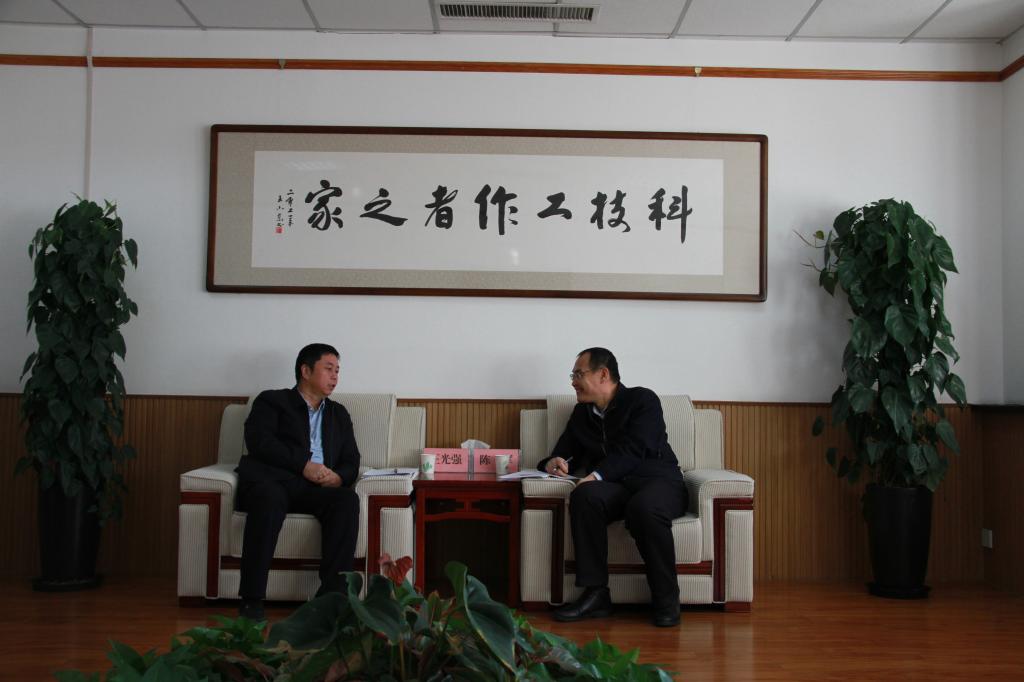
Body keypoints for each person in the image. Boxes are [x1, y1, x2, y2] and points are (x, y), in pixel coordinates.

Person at [537, 347, 688, 627]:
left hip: (659, 482)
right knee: (585, 496)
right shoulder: (582, 413)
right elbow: (564, 451)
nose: (573, 382)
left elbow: (635, 449)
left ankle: (666, 599)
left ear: (603, 374)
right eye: (572, 375)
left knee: (643, 508)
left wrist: (597, 475)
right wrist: (552, 462)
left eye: (578, 374)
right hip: (617, 487)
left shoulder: (642, 400)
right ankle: (596, 595)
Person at [235, 343, 361, 620]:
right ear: (306, 371)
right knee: (267, 499)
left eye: (338, 371)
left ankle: (332, 600)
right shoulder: (272, 401)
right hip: (275, 481)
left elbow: (352, 459)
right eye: (329, 369)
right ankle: (252, 600)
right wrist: (303, 465)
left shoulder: (338, 413)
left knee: (346, 500)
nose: (335, 376)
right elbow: (260, 443)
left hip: (314, 488)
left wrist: (339, 477)